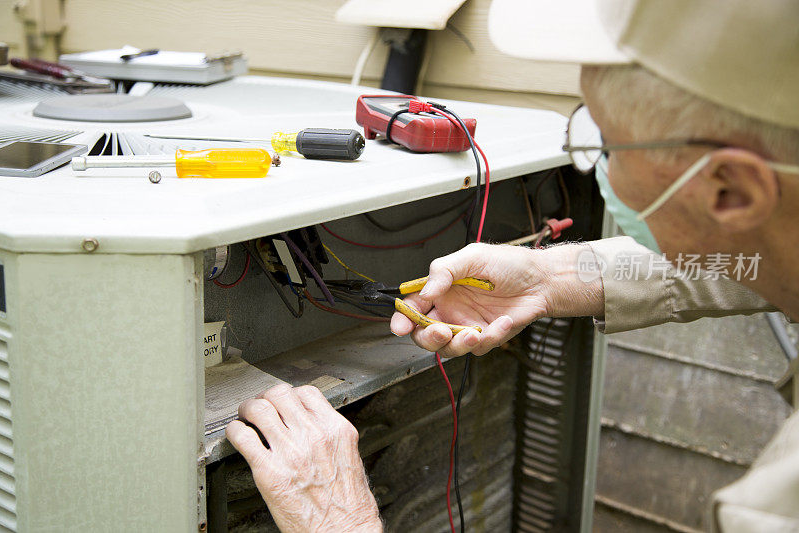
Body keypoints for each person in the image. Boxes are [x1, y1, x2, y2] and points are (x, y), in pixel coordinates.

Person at [226, 0, 799, 530]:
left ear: (730, 190)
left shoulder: (777, 502)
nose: (595, 165)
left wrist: (341, 521)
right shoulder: (770, 229)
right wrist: (549, 277)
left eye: (610, 145)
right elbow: (734, 258)